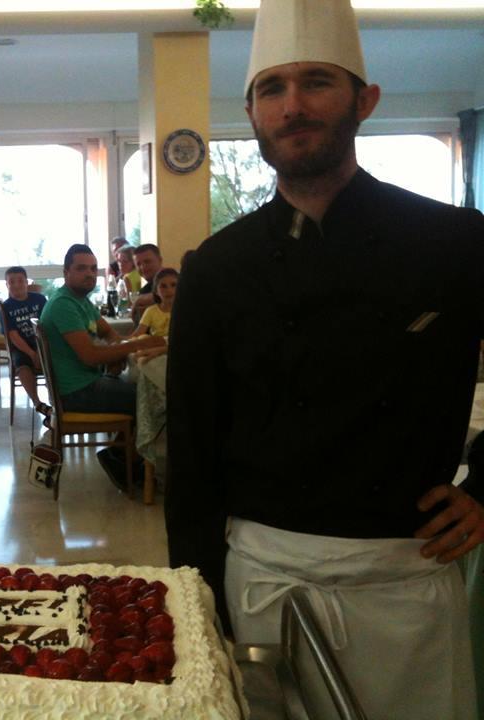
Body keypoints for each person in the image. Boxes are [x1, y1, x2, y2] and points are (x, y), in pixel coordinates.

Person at [165, 1, 483, 718]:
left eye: (317, 82)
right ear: (251, 111)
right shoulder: (216, 267)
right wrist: (193, 598)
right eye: (272, 89)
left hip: (406, 578)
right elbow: (192, 444)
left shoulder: (456, 243)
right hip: (261, 581)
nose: (294, 106)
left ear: (365, 100)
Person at [40, 244, 166, 490]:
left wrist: (117, 352)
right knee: (153, 397)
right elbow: (89, 356)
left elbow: (108, 332)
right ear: (66, 272)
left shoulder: (79, 300)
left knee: (143, 389)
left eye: (92, 268)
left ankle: (121, 458)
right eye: (81, 268)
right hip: (76, 392)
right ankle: (127, 462)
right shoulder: (63, 305)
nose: (89, 273)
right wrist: (134, 347)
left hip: (83, 383)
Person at [0, 266, 49, 420]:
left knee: (56, 358)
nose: (16, 285)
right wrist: (32, 354)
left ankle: (59, 399)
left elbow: (47, 324)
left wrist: (40, 350)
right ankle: (38, 403)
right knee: (22, 365)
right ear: (7, 285)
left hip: (40, 342)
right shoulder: (6, 307)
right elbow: (13, 335)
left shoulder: (40, 300)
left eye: (20, 281)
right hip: (20, 347)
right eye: (11, 282)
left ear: (26, 282)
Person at [130, 267, 178, 341]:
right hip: (155, 345)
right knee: (142, 338)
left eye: (173, 285)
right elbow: (137, 335)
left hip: (175, 347)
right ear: (156, 291)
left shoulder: (184, 310)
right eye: (163, 286)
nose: (169, 290)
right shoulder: (151, 311)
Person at [129, 243, 164, 320]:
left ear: (160, 260)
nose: (143, 267)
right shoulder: (144, 291)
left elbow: (177, 294)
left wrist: (150, 298)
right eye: (138, 264)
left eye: (147, 261)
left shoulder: (177, 280)